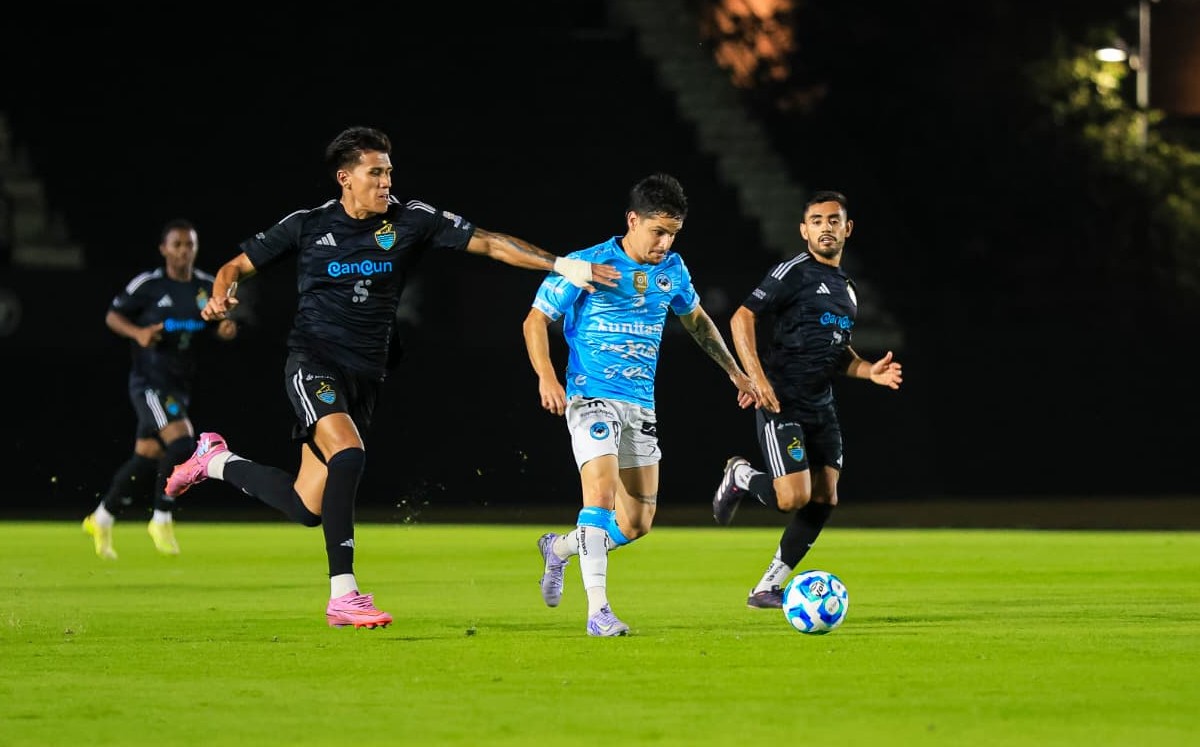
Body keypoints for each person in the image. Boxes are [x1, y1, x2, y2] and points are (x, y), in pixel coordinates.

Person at [164, 125, 620, 630]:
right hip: (313, 361)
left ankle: (215, 460)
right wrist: (219, 293)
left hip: (366, 374)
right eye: (375, 173)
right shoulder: (308, 226)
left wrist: (561, 265)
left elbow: (489, 244)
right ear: (345, 178)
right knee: (349, 454)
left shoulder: (412, 220)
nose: (386, 182)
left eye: (388, 172)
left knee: (305, 505)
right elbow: (234, 266)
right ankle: (344, 594)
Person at [524, 172, 758, 636]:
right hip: (591, 396)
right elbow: (535, 322)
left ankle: (560, 549)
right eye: (658, 231)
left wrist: (734, 371)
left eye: (673, 233)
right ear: (633, 220)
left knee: (636, 523)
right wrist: (547, 377)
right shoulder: (585, 264)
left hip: (639, 405)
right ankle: (598, 612)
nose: (665, 242)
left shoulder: (672, 270)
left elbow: (696, 321)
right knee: (601, 495)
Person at [711, 190, 902, 608]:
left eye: (833, 220)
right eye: (816, 220)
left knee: (825, 497)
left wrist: (868, 370)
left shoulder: (847, 292)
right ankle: (741, 476)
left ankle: (766, 587)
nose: (825, 227)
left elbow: (838, 353)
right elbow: (741, 317)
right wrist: (756, 380)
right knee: (791, 498)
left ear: (847, 229)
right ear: (804, 230)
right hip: (783, 401)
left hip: (821, 405)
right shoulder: (794, 271)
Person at [83, 219, 238, 559]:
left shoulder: (206, 286)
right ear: (164, 249)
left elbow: (221, 323)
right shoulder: (149, 285)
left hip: (179, 383)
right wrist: (137, 333)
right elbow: (113, 316)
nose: (184, 251)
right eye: (177, 244)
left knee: (146, 456)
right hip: (149, 382)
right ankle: (162, 516)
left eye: (189, 245)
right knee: (183, 441)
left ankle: (102, 517)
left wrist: (225, 329)